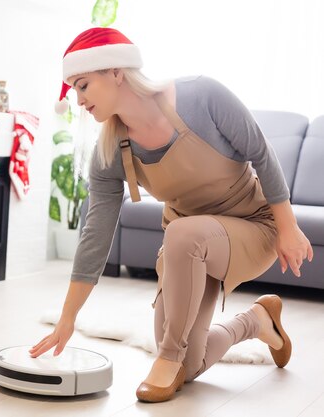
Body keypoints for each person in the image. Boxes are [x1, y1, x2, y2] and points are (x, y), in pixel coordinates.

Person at [29, 27, 313, 403]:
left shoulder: (200, 96)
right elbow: (96, 232)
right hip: (190, 252)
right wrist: (68, 317)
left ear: (116, 72)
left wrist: (288, 226)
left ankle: (165, 357)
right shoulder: (112, 149)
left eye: (83, 85)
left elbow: (262, 152)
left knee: (172, 342)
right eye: (74, 91)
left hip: (251, 227)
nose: (78, 100)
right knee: (189, 365)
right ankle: (257, 321)